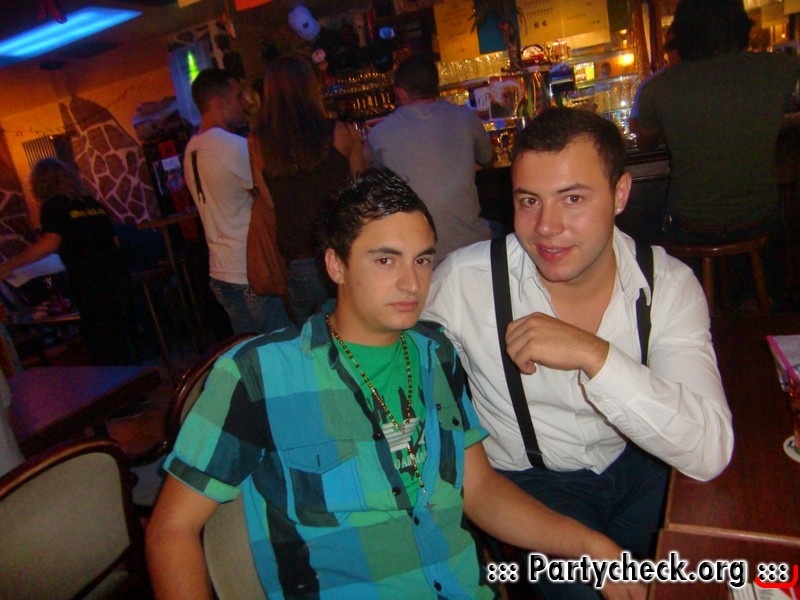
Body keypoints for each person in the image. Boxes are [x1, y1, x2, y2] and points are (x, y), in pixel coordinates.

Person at [146, 167, 645, 600]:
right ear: (336, 264)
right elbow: (171, 529)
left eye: (422, 260)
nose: (412, 283)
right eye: (385, 260)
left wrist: (589, 545)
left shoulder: (436, 353)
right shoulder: (258, 373)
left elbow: (479, 489)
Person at [422, 108, 734, 599]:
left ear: (620, 194)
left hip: (638, 464)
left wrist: (594, 355)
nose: (546, 227)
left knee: (709, 555)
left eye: (572, 198)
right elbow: (392, 361)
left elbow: (708, 451)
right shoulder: (464, 283)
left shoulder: (666, 285)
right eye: (529, 201)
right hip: (533, 485)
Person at [635, 0, 799, 305]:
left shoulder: (658, 87)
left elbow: (644, 141)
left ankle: (691, 313)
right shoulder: (780, 68)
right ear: (741, 25)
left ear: (681, 33)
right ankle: (770, 313)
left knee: (644, 224)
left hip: (690, 224)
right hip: (760, 218)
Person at [257, 54, 365, 326]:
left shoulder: (258, 144)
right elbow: (361, 189)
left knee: (311, 343)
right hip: (342, 252)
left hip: (299, 260)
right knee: (356, 337)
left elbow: (269, 202)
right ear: (311, 88)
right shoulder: (340, 132)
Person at [183, 68, 290, 335]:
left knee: (251, 353)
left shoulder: (192, 148)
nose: (244, 102)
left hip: (221, 272)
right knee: (282, 350)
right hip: (253, 269)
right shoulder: (230, 146)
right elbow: (273, 195)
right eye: (237, 96)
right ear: (218, 102)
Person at [0, 158, 137, 366]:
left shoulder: (53, 207)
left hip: (89, 282)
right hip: (117, 275)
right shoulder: (91, 203)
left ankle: (117, 382)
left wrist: (11, 265)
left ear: (40, 184)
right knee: (122, 336)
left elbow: (49, 244)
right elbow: (114, 241)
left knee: (102, 342)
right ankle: (135, 380)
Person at [368, 54, 495, 266]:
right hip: (470, 246)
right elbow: (488, 158)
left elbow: (377, 183)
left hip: (417, 257)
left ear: (400, 93)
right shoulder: (465, 118)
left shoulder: (378, 134)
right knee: (499, 227)